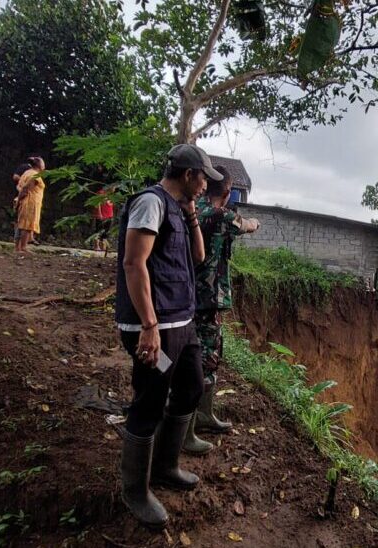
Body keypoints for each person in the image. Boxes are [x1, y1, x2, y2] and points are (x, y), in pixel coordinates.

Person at [115, 144, 223, 528]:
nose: (205, 186)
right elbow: (133, 262)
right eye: (203, 178)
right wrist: (148, 326)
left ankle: (165, 467)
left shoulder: (178, 210)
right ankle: (136, 491)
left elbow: (197, 256)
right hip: (153, 332)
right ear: (189, 175)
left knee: (191, 387)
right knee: (151, 398)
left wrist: (192, 215)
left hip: (182, 327)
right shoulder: (151, 203)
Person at [183, 166, 260, 454]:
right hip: (207, 298)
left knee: (204, 354)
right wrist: (254, 221)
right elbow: (247, 225)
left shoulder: (193, 208)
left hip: (187, 295)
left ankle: (203, 415)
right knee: (204, 357)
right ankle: (189, 429)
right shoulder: (220, 215)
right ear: (227, 192)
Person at [15, 157, 46, 254]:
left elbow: (18, 186)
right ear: (39, 165)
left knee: (21, 224)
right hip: (30, 202)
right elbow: (25, 189)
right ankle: (23, 247)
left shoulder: (26, 173)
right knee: (27, 225)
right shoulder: (34, 175)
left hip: (26, 201)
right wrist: (19, 199)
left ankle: (18, 248)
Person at [12, 160, 33, 243]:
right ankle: (17, 240)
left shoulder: (35, 173)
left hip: (30, 198)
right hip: (21, 196)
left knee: (30, 218)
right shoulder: (25, 168)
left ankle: (30, 238)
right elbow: (15, 176)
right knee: (20, 218)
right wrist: (25, 180)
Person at [92, 186, 114, 253]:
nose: (114, 190)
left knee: (106, 232)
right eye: (113, 188)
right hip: (102, 215)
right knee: (98, 230)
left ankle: (103, 247)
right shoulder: (101, 193)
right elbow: (98, 204)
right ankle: (96, 246)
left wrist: (112, 214)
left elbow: (111, 205)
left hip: (109, 215)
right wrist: (99, 213)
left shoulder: (111, 195)